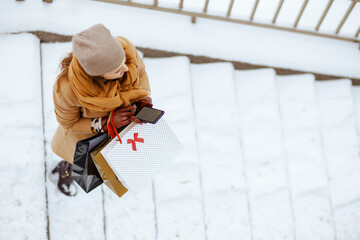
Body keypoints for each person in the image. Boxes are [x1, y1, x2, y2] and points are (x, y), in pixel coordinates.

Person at [50, 24, 152, 196]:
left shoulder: (124, 50)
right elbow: (69, 123)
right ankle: (65, 170)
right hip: (88, 137)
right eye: (117, 70)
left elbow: (140, 72)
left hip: (121, 130)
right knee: (79, 164)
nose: (126, 69)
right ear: (97, 75)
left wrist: (141, 97)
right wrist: (106, 122)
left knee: (114, 162)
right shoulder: (67, 89)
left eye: (123, 62)